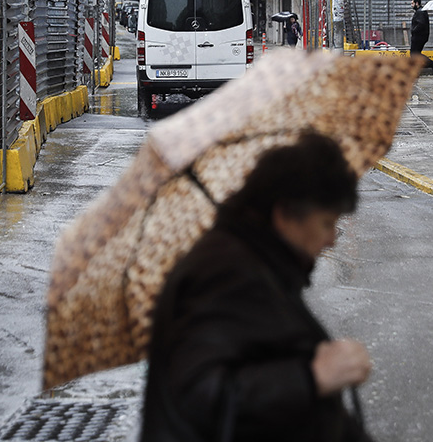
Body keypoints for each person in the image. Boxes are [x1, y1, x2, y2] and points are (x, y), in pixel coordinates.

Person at [141, 133, 374, 442]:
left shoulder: (261, 262)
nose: (333, 238)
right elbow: (197, 395)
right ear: (284, 215)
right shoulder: (225, 274)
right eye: (326, 223)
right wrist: (311, 376)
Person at [410, 0, 433, 74]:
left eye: (412, 3)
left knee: (415, 55)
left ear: (417, 3)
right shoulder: (420, 11)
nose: (411, 5)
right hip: (420, 36)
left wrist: (413, 30)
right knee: (415, 55)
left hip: (419, 37)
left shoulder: (420, 12)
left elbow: (421, 24)